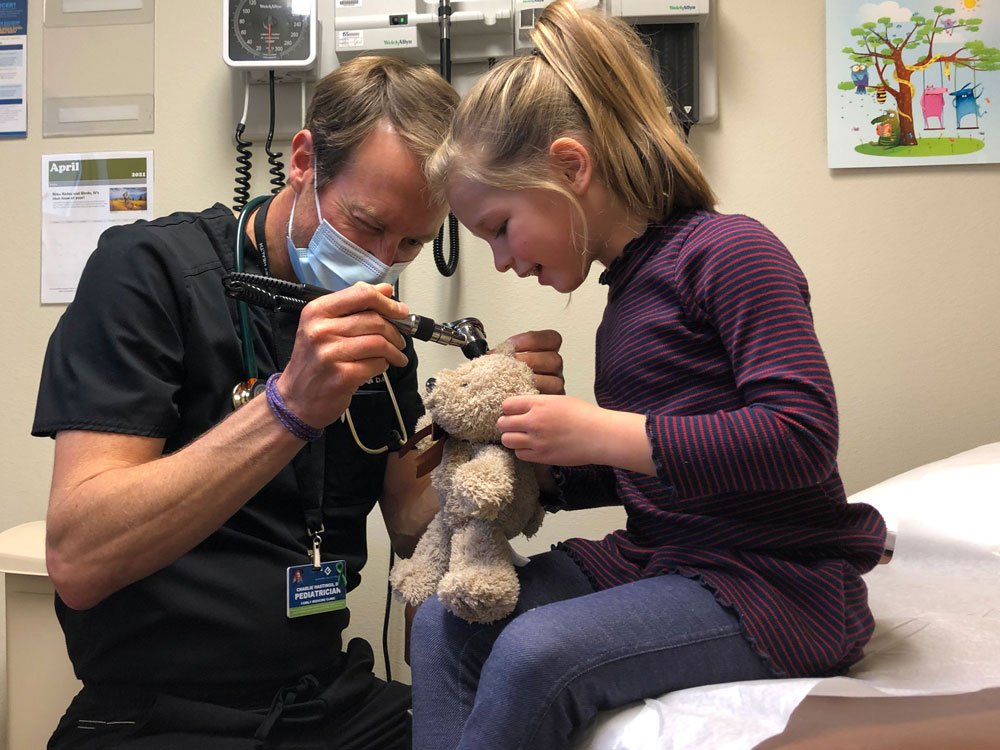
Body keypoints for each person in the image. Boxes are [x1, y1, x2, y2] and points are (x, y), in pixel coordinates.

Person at [32, 55, 564, 749]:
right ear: (305, 160)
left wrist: (500, 426)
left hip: (325, 697)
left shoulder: (373, 319)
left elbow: (406, 519)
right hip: (163, 711)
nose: (379, 262)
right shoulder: (149, 275)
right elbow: (79, 559)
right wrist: (287, 409)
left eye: (409, 242)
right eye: (366, 223)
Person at [409, 2, 888, 748]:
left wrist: (601, 430)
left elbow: (800, 438)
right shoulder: (626, 296)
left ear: (571, 166)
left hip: (775, 581)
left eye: (499, 227)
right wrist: (546, 461)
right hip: (665, 558)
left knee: (534, 656)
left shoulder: (731, 252)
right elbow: (660, 470)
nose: (501, 260)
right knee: (445, 619)